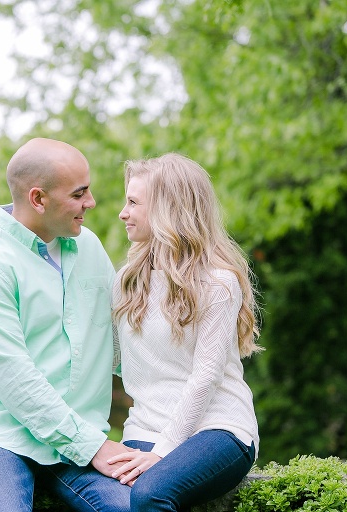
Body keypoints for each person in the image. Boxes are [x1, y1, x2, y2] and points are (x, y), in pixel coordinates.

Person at [0, 137, 132, 512]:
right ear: (38, 199)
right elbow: (15, 380)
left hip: (77, 439)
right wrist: (91, 446)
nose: (91, 203)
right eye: (79, 194)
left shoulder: (89, 247)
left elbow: (120, 344)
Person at [108, 153, 262, 511]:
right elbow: (115, 362)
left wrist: (163, 450)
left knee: (149, 495)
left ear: (167, 210)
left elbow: (205, 376)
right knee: (109, 499)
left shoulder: (218, 283)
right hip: (144, 429)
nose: (122, 212)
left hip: (218, 430)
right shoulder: (126, 282)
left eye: (133, 202)